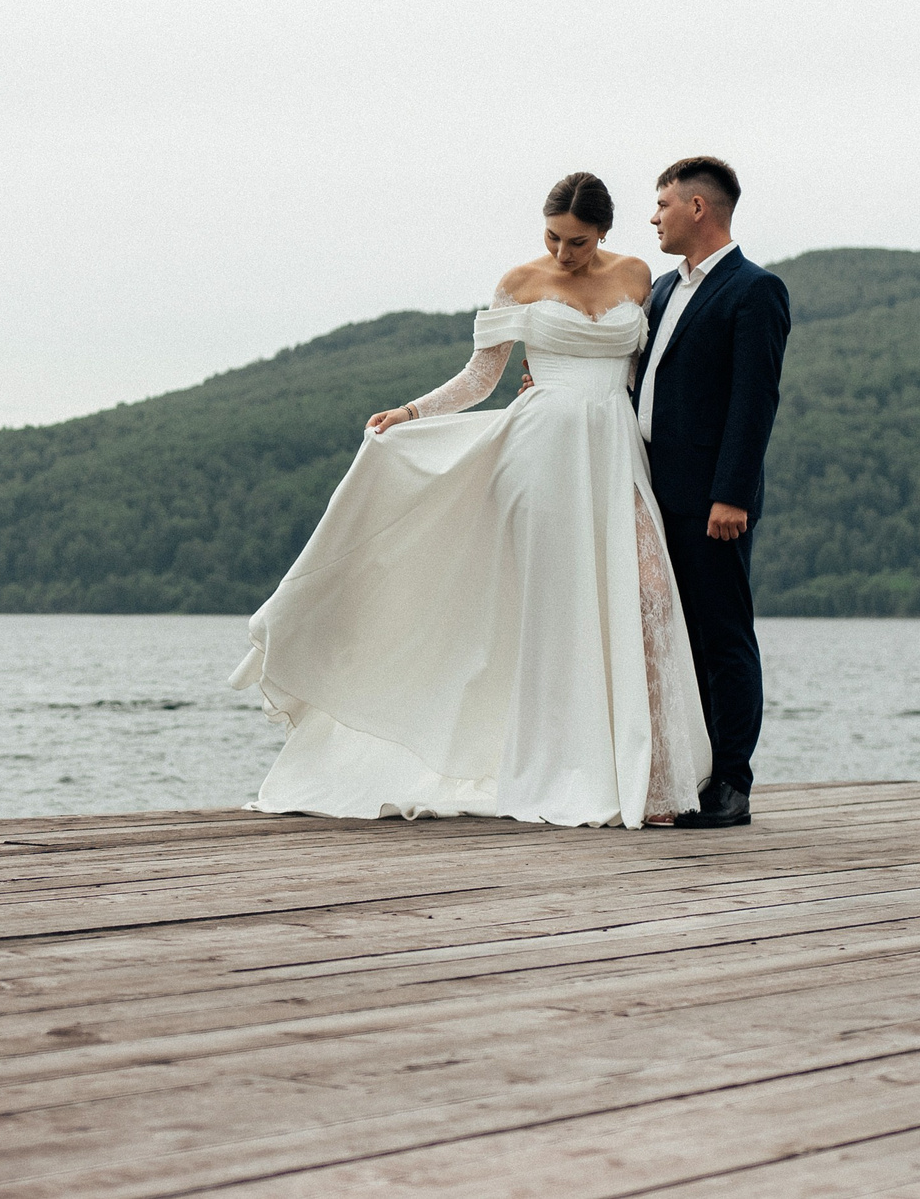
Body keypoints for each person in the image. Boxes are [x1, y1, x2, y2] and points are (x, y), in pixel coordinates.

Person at [229, 172, 711, 828]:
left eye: (577, 241)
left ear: (603, 232)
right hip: (541, 454)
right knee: (554, 609)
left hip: (613, 449)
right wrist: (411, 411)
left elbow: (637, 371)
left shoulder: (636, 276)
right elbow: (482, 376)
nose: (563, 252)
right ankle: (558, 763)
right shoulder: (519, 282)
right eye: (553, 237)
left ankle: (650, 774)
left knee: (645, 591)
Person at [634, 156, 791, 827]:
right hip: (650, 490)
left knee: (723, 636)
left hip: (711, 502)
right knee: (677, 638)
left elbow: (755, 400)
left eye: (663, 203)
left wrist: (732, 494)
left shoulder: (755, 289)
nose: (654, 217)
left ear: (698, 207)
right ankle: (689, 772)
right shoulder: (662, 289)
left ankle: (731, 783)